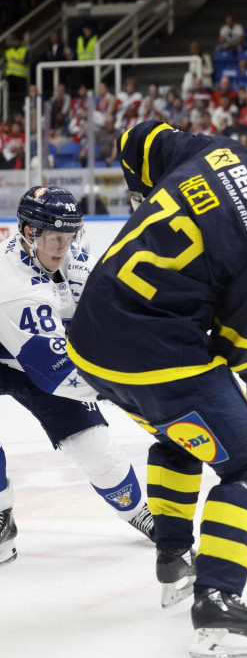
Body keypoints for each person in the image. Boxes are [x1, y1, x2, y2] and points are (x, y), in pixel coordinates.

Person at [66, 122, 247, 657]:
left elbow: (138, 137)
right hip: (154, 353)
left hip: (89, 338)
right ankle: (217, 603)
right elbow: (243, 348)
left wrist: (144, 198)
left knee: (183, 434)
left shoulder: (217, 153)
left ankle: (173, 558)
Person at [0, 187, 156, 567]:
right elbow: (56, 375)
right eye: (54, 237)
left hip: (34, 357)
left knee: (95, 445)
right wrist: (129, 389)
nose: (62, 247)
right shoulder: (13, 287)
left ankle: (140, 512)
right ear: (27, 231)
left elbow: (111, 315)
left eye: (70, 237)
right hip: (34, 358)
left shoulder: (72, 260)